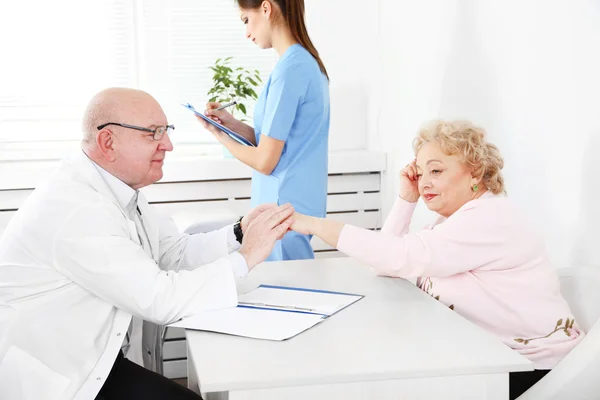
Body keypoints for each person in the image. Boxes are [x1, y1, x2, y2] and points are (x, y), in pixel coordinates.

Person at [0, 88, 294, 400]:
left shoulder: (116, 191)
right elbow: (159, 299)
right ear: (108, 142)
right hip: (58, 375)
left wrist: (239, 233)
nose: (167, 145)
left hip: (93, 357)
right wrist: (247, 257)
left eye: (166, 132)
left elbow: (171, 253)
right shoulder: (77, 210)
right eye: (154, 133)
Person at [289, 119, 584, 399]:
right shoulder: (452, 222)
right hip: (491, 361)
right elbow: (385, 264)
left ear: (476, 172)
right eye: (420, 172)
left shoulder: (489, 218)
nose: (424, 182)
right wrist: (406, 198)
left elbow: (400, 257)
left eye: (436, 171)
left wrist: (315, 225)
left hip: (531, 371)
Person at [198, 0, 330, 261]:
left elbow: (265, 160)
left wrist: (220, 136)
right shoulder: (303, 63)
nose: (246, 32)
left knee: (286, 292)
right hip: (291, 209)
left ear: (267, 9)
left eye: (246, 20)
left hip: (281, 213)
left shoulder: (291, 70)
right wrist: (230, 124)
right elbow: (276, 141)